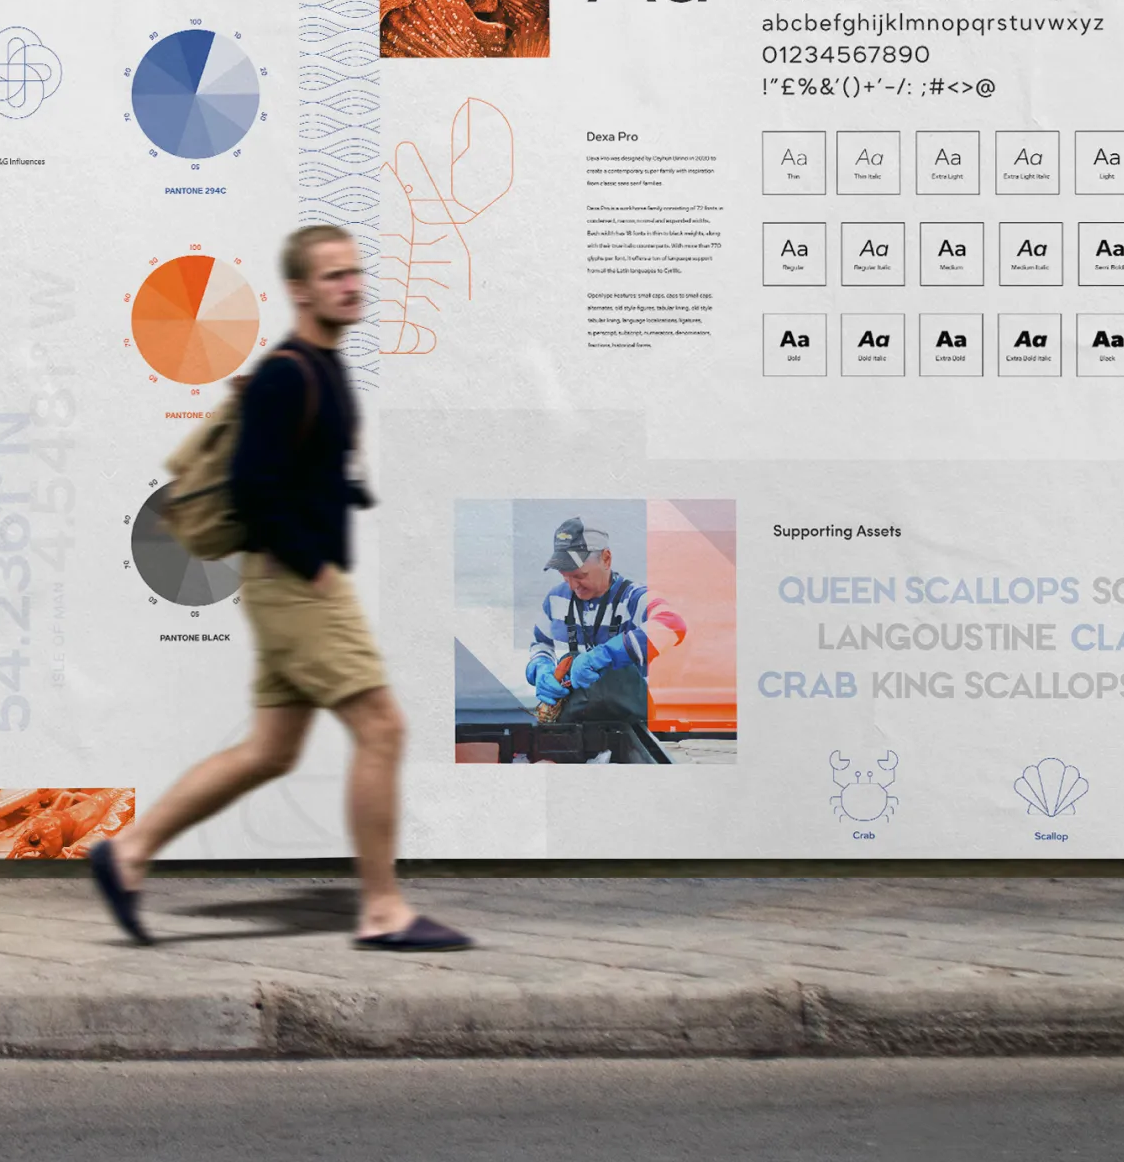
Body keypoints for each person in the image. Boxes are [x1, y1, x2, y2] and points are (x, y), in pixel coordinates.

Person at [86, 225, 469, 951]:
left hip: (290, 583)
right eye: (332, 276)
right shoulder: (288, 373)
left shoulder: (325, 366)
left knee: (270, 750)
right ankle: (384, 909)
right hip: (297, 585)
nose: (350, 285)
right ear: (299, 289)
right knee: (383, 729)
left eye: (355, 273)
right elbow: (254, 487)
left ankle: (128, 852)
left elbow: (303, 473)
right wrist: (315, 566)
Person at [525, 517, 686, 763]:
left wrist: (607, 654)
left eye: (580, 575)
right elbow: (541, 644)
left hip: (631, 728)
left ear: (606, 559)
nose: (572, 585)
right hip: (572, 725)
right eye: (564, 575)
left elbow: (672, 624)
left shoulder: (633, 597)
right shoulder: (555, 599)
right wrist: (541, 668)